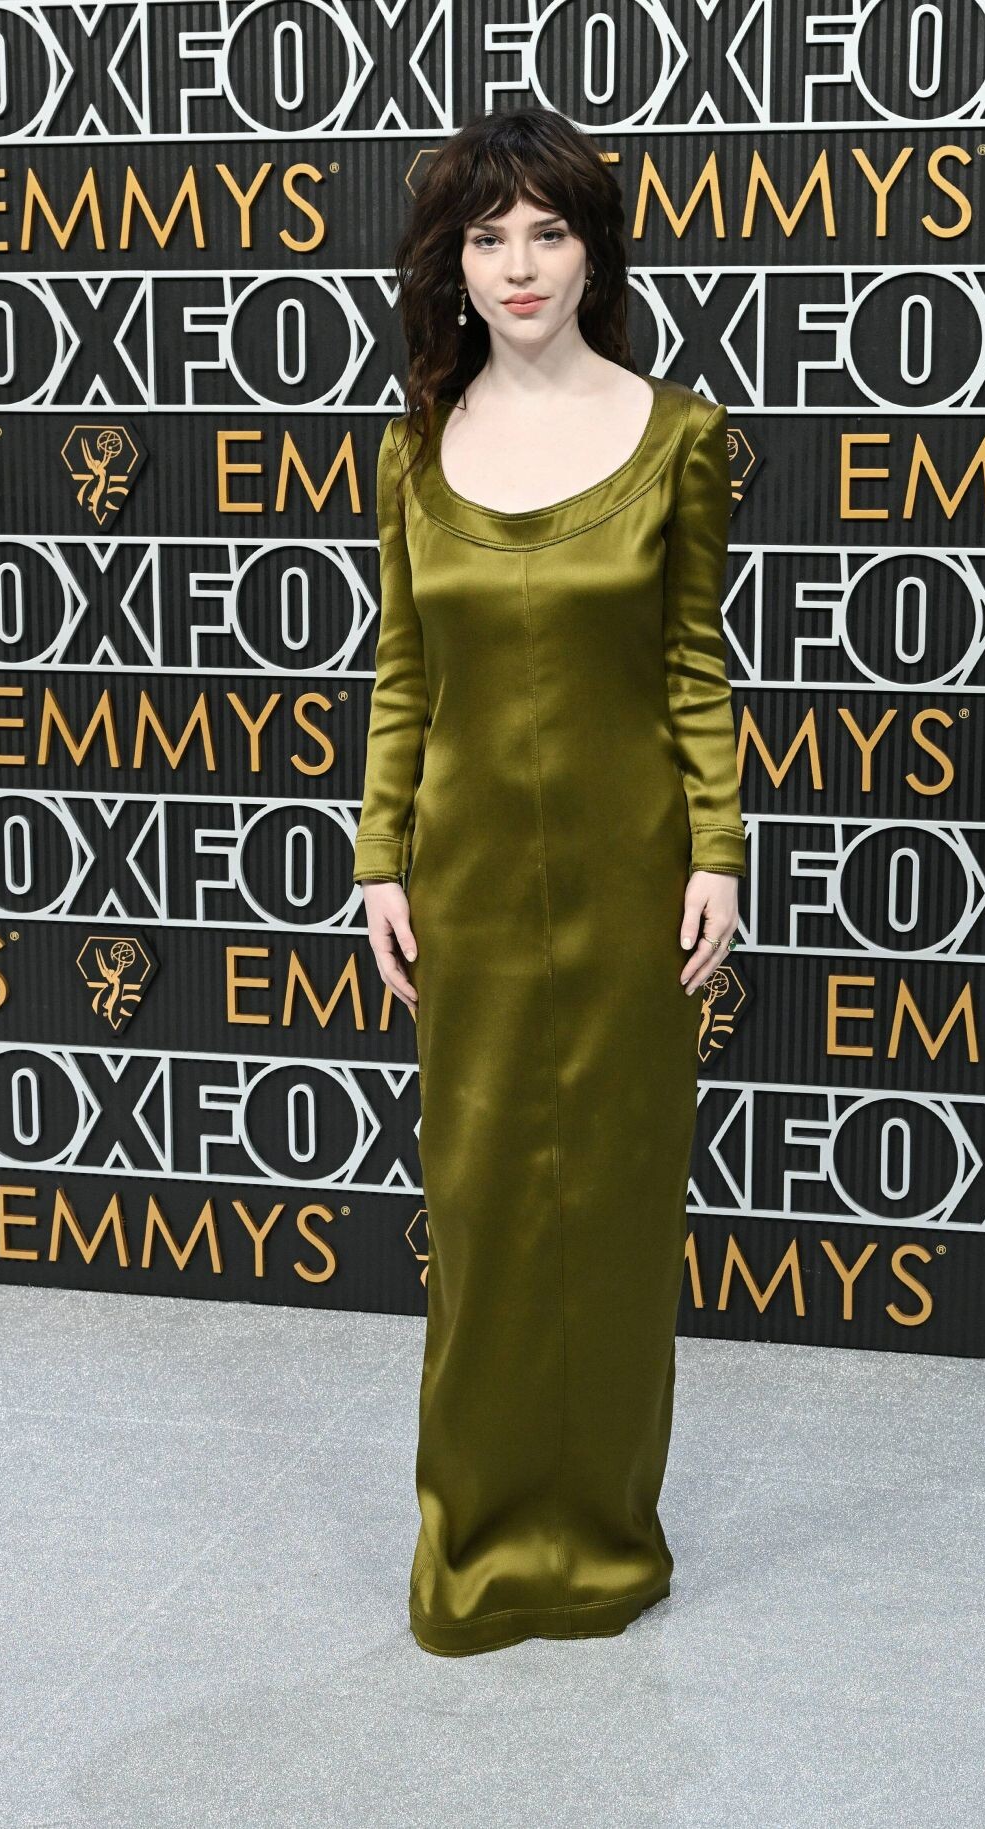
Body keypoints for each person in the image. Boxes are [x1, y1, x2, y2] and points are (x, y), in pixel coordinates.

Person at [354, 105, 746, 1657]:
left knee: (621, 1216)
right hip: (463, 892)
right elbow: (402, 673)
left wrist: (718, 848)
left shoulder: (680, 436)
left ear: (593, 253)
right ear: (454, 263)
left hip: (631, 881)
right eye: (488, 236)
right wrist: (377, 858)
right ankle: (473, 1541)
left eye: (549, 231)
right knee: (481, 1209)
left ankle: (605, 1538)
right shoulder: (414, 446)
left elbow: (694, 667)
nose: (518, 265)